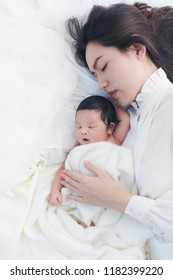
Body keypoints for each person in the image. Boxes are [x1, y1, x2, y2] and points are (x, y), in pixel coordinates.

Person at [55, 2, 173, 259]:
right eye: (94, 74)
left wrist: (116, 199)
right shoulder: (128, 122)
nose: (101, 83)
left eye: (104, 66)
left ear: (136, 49)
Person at [49, 95, 130, 206]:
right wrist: (55, 191)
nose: (83, 131)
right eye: (78, 127)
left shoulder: (113, 139)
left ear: (110, 128)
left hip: (107, 192)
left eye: (91, 126)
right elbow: (63, 171)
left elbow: (124, 118)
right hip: (81, 193)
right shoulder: (77, 149)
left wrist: (107, 104)